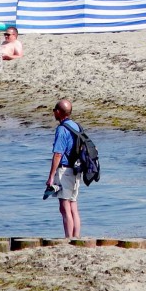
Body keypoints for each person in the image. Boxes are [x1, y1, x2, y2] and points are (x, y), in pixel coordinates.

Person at [47, 99, 84, 238]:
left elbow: (58, 154)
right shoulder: (77, 126)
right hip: (76, 171)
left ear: (59, 112)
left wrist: (51, 176)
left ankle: (68, 238)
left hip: (65, 171)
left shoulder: (62, 129)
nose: (53, 112)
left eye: (54, 110)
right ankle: (76, 237)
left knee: (64, 207)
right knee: (73, 205)